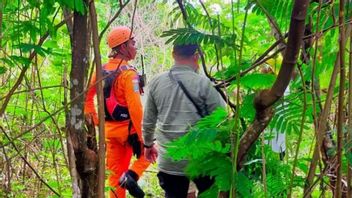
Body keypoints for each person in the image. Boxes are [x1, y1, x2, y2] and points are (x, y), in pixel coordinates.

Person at [142, 44, 225, 198]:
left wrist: (148, 144)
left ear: (173, 54)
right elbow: (222, 118)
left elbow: (148, 121)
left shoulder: (156, 82)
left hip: (170, 160)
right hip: (201, 159)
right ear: (196, 56)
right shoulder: (204, 84)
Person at [84, 26, 150, 198]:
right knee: (153, 151)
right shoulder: (129, 75)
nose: (135, 46)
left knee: (115, 180)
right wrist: (145, 138)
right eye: (133, 43)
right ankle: (131, 176)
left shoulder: (100, 70)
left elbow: (86, 98)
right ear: (123, 47)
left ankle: (125, 179)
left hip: (110, 134)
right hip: (130, 133)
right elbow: (135, 108)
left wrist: (98, 121)